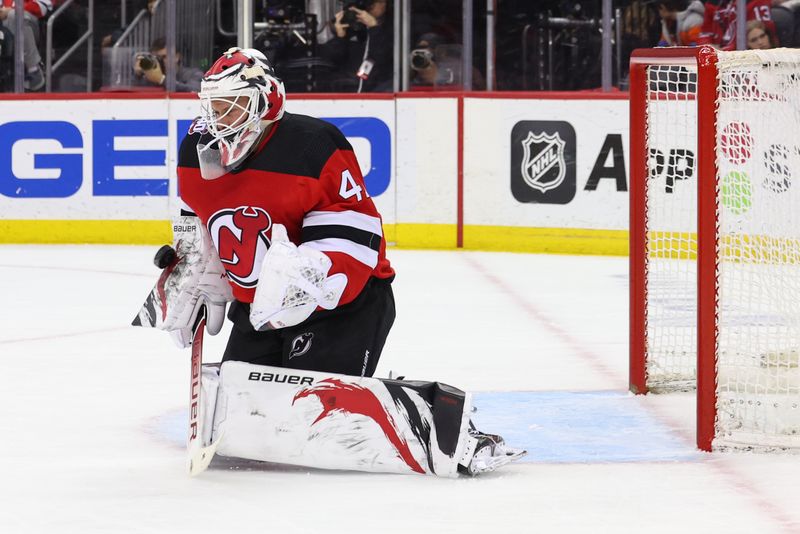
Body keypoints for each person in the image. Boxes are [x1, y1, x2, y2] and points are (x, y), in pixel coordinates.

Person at [137, 47, 524, 476]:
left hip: (342, 306)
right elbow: (198, 217)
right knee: (250, 420)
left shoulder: (314, 144)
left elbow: (356, 232)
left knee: (313, 417)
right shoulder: (196, 149)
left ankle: (442, 425)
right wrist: (196, 270)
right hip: (260, 311)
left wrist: (306, 271)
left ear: (267, 100)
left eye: (234, 105)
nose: (221, 117)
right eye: (214, 106)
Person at [318, 0, 392, 92]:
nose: (371, 6)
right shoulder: (353, 26)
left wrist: (374, 27)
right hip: (348, 89)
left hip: (378, 90)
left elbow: (382, 58)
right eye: (369, 3)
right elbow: (332, 60)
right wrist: (340, 36)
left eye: (376, 2)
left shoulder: (395, 27)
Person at [0, 0, 52, 91]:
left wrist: (12, 10)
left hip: (28, 21)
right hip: (3, 25)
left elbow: (42, 7)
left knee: (15, 16)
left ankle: (33, 69)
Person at [698, 0, 779, 50]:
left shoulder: (756, 3)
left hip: (741, 58)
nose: (760, 42)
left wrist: (721, 52)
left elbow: (756, 34)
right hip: (721, 54)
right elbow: (705, 33)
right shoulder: (715, 4)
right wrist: (708, 47)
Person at [133, 36, 203, 92]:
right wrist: (138, 76)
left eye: (164, 57)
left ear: (177, 57)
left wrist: (162, 80)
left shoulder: (193, 74)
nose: (160, 61)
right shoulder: (150, 78)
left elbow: (195, 91)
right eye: (157, 58)